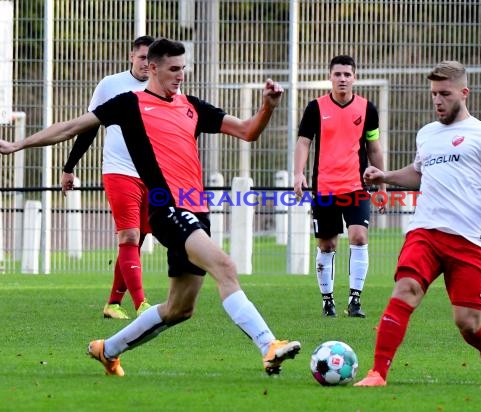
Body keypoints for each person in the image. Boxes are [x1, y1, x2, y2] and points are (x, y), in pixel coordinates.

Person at [0, 38, 301, 377]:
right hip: (166, 207)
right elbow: (71, 127)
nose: (181, 75)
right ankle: (268, 345)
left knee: (179, 309)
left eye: (184, 68)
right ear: (153, 69)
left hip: (195, 209)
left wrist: (269, 107)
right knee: (225, 266)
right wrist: (18, 144)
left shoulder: (192, 106)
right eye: (174, 69)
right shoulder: (129, 104)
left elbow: (247, 132)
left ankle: (107, 350)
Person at [354, 60, 481, 387]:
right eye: (433, 94)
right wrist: (385, 175)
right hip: (425, 233)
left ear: (464, 93)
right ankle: (377, 373)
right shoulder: (427, 134)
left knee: (468, 322)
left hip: (470, 241)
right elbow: (419, 173)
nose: (437, 101)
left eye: (444, 94)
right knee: (406, 289)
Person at [61, 35, 155, 320]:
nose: (146, 65)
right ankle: (142, 305)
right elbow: (88, 128)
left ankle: (113, 303)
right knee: (128, 234)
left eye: (151, 61)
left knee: (136, 241)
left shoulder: (162, 86)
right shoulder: (110, 85)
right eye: (141, 58)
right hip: (119, 171)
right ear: (131, 56)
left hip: (152, 175)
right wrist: (69, 166)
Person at [294, 55, 386, 318]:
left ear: (354, 77)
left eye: (347, 74)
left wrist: (381, 186)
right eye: (338, 74)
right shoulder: (315, 108)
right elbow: (303, 142)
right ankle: (328, 301)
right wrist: (298, 174)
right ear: (330, 77)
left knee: (359, 237)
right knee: (327, 246)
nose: (343, 79)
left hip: (356, 187)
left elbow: (374, 147)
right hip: (324, 188)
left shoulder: (367, 109)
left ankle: (355, 300)